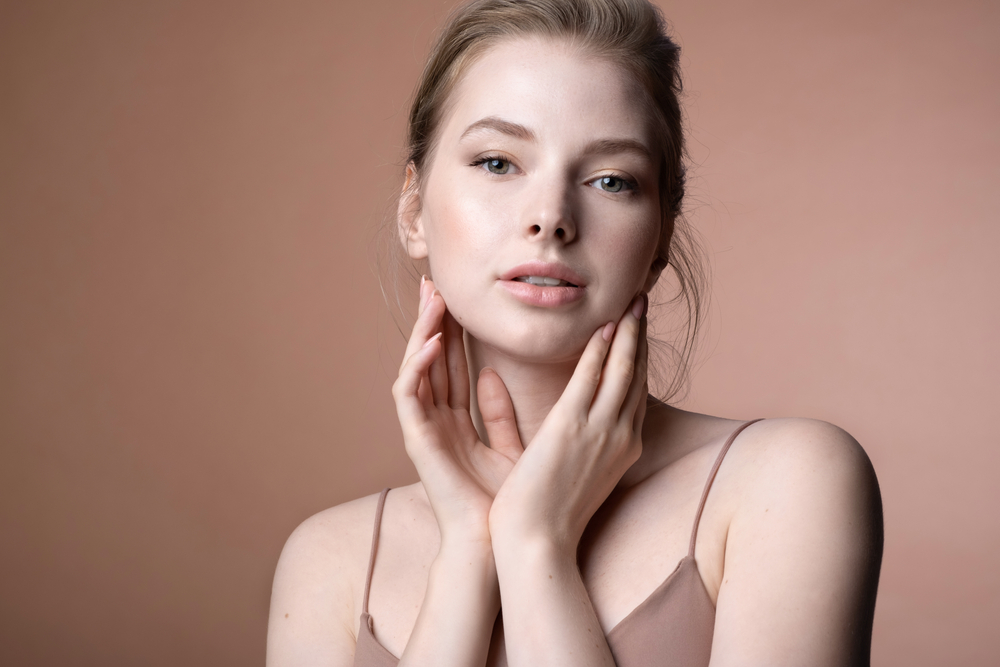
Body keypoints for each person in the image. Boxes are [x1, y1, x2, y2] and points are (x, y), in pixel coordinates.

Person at [266, 0, 884, 665]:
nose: (550, 216)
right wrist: (470, 551)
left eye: (611, 179)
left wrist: (536, 543)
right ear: (414, 211)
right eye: (498, 162)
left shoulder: (785, 484)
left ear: (660, 239)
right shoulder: (328, 561)